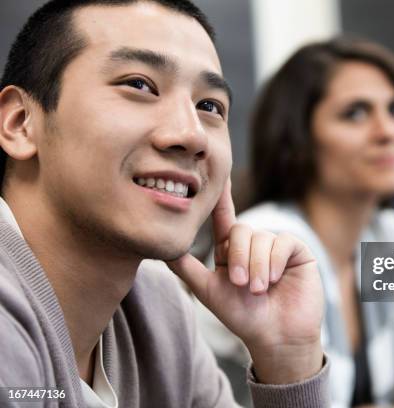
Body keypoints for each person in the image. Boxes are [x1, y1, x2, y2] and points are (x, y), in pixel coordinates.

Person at [0, 1, 330, 407]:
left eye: (209, 107)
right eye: (139, 85)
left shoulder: (158, 302)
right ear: (19, 122)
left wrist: (288, 357)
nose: (191, 135)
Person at [198, 38, 394, 408]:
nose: (388, 132)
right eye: (356, 114)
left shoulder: (388, 232)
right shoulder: (272, 241)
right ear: (298, 137)